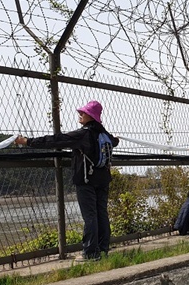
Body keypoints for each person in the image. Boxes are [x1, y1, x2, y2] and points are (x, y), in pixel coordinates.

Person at [14, 100, 119, 261]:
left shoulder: (83, 134)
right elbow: (115, 142)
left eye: (83, 113)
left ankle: (90, 253)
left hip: (86, 180)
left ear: (90, 116)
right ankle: (103, 250)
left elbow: (56, 140)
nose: (80, 114)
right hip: (103, 180)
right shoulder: (105, 135)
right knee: (101, 214)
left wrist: (28, 141)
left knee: (90, 215)